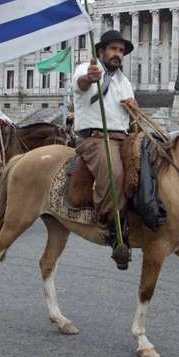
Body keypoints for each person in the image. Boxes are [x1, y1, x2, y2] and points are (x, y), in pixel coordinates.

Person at [73, 29, 137, 269]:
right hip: (96, 138)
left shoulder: (124, 81)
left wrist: (134, 108)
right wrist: (90, 78)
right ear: (101, 51)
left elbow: (129, 116)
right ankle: (112, 226)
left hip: (123, 136)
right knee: (115, 173)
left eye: (121, 50)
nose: (117, 54)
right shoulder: (86, 68)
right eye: (113, 49)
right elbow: (81, 84)